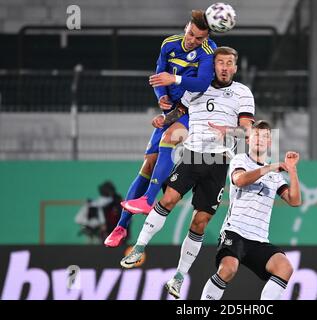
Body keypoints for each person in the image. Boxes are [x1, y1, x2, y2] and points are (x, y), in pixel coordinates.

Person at [120, 47, 256, 300]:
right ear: (213, 65)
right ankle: (138, 248)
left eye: (229, 63)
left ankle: (179, 277)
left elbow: (248, 130)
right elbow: (179, 111)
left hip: (219, 161)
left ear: (236, 68)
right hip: (192, 154)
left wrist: (230, 131)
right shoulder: (197, 88)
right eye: (220, 62)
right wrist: (165, 120)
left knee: (200, 222)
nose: (225, 67)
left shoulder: (242, 93)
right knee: (168, 200)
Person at [104, 9, 217, 247]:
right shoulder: (169, 44)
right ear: (187, 26)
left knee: (169, 136)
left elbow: (203, 83)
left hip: (192, 112)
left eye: (199, 38)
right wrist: (161, 98)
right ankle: (121, 227)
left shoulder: (208, 52)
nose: (192, 40)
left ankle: (148, 199)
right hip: (172, 110)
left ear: (205, 38)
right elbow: (158, 77)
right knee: (148, 164)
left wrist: (173, 81)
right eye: (191, 34)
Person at [201, 120, 302, 300]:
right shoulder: (240, 160)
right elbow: (240, 180)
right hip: (235, 232)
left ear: (270, 142)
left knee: (284, 267)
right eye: (256, 135)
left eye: (265, 137)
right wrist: (269, 167)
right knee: (228, 269)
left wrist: (292, 170)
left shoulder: (275, 175)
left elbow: (294, 201)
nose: (260, 140)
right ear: (248, 139)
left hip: (259, 239)